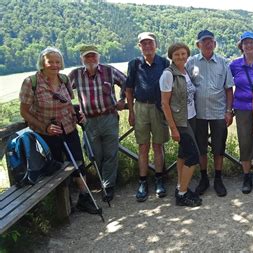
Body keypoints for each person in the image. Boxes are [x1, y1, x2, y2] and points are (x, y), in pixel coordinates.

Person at [19, 47, 99, 214]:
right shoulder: (31, 82)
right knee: (56, 168)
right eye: (50, 62)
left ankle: (84, 197)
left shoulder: (64, 79)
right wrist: (44, 127)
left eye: (57, 62)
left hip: (69, 127)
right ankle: (64, 205)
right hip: (46, 134)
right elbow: (24, 112)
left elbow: (69, 103)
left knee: (78, 162)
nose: (54, 65)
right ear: (42, 63)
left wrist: (79, 116)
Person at [68, 45, 127, 202]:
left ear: (98, 57)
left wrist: (122, 99)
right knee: (95, 154)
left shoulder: (109, 70)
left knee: (111, 153)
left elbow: (126, 82)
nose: (91, 59)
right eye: (87, 57)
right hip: (89, 121)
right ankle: (103, 181)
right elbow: (63, 91)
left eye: (93, 56)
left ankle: (108, 186)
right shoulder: (75, 74)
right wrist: (72, 110)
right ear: (82, 59)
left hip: (109, 117)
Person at [186, 30, 234, 197]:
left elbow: (229, 89)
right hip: (197, 114)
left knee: (219, 148)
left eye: (210, 41)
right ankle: (204, 178)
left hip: (219, 113)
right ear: (198, 44)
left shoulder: (223, 63)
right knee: (201, 149)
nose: (207, 44)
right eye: (204, 41)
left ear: (214, 43)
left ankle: (218, 179)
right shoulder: (190, 62)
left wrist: (229, 111)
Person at [125, 32, 170, 202]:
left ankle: (160, 180)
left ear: (156, 45)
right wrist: (131, 111)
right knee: (143, 146)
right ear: (140, 46)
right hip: (141, 107)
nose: (147, 47)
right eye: (144, 44)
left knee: (158, 146)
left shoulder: (164, 63)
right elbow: (129, 89)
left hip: (159, 108)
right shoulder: (134, 64)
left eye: (150, 43)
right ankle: (142, 182)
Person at [160, 42, 202, 207]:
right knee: (193, 156)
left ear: (187, 55)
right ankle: (183, 195)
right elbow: (164, 104)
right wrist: (173, 128)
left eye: (183, 54)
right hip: (180, 121)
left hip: (191, 117)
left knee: (183, 154)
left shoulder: (185, 71)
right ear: (171, 56)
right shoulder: (168, 74)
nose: (180, 57)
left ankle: (180, 187)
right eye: (177, 54)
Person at [229, 31, 253, 194]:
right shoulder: (234, 65)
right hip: (242, 108)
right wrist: (229, 109)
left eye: (251, 42)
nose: (248, 45)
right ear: (241, 46)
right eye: (245, 43)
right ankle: (246, 176)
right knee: (245, 142)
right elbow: (228, 88)